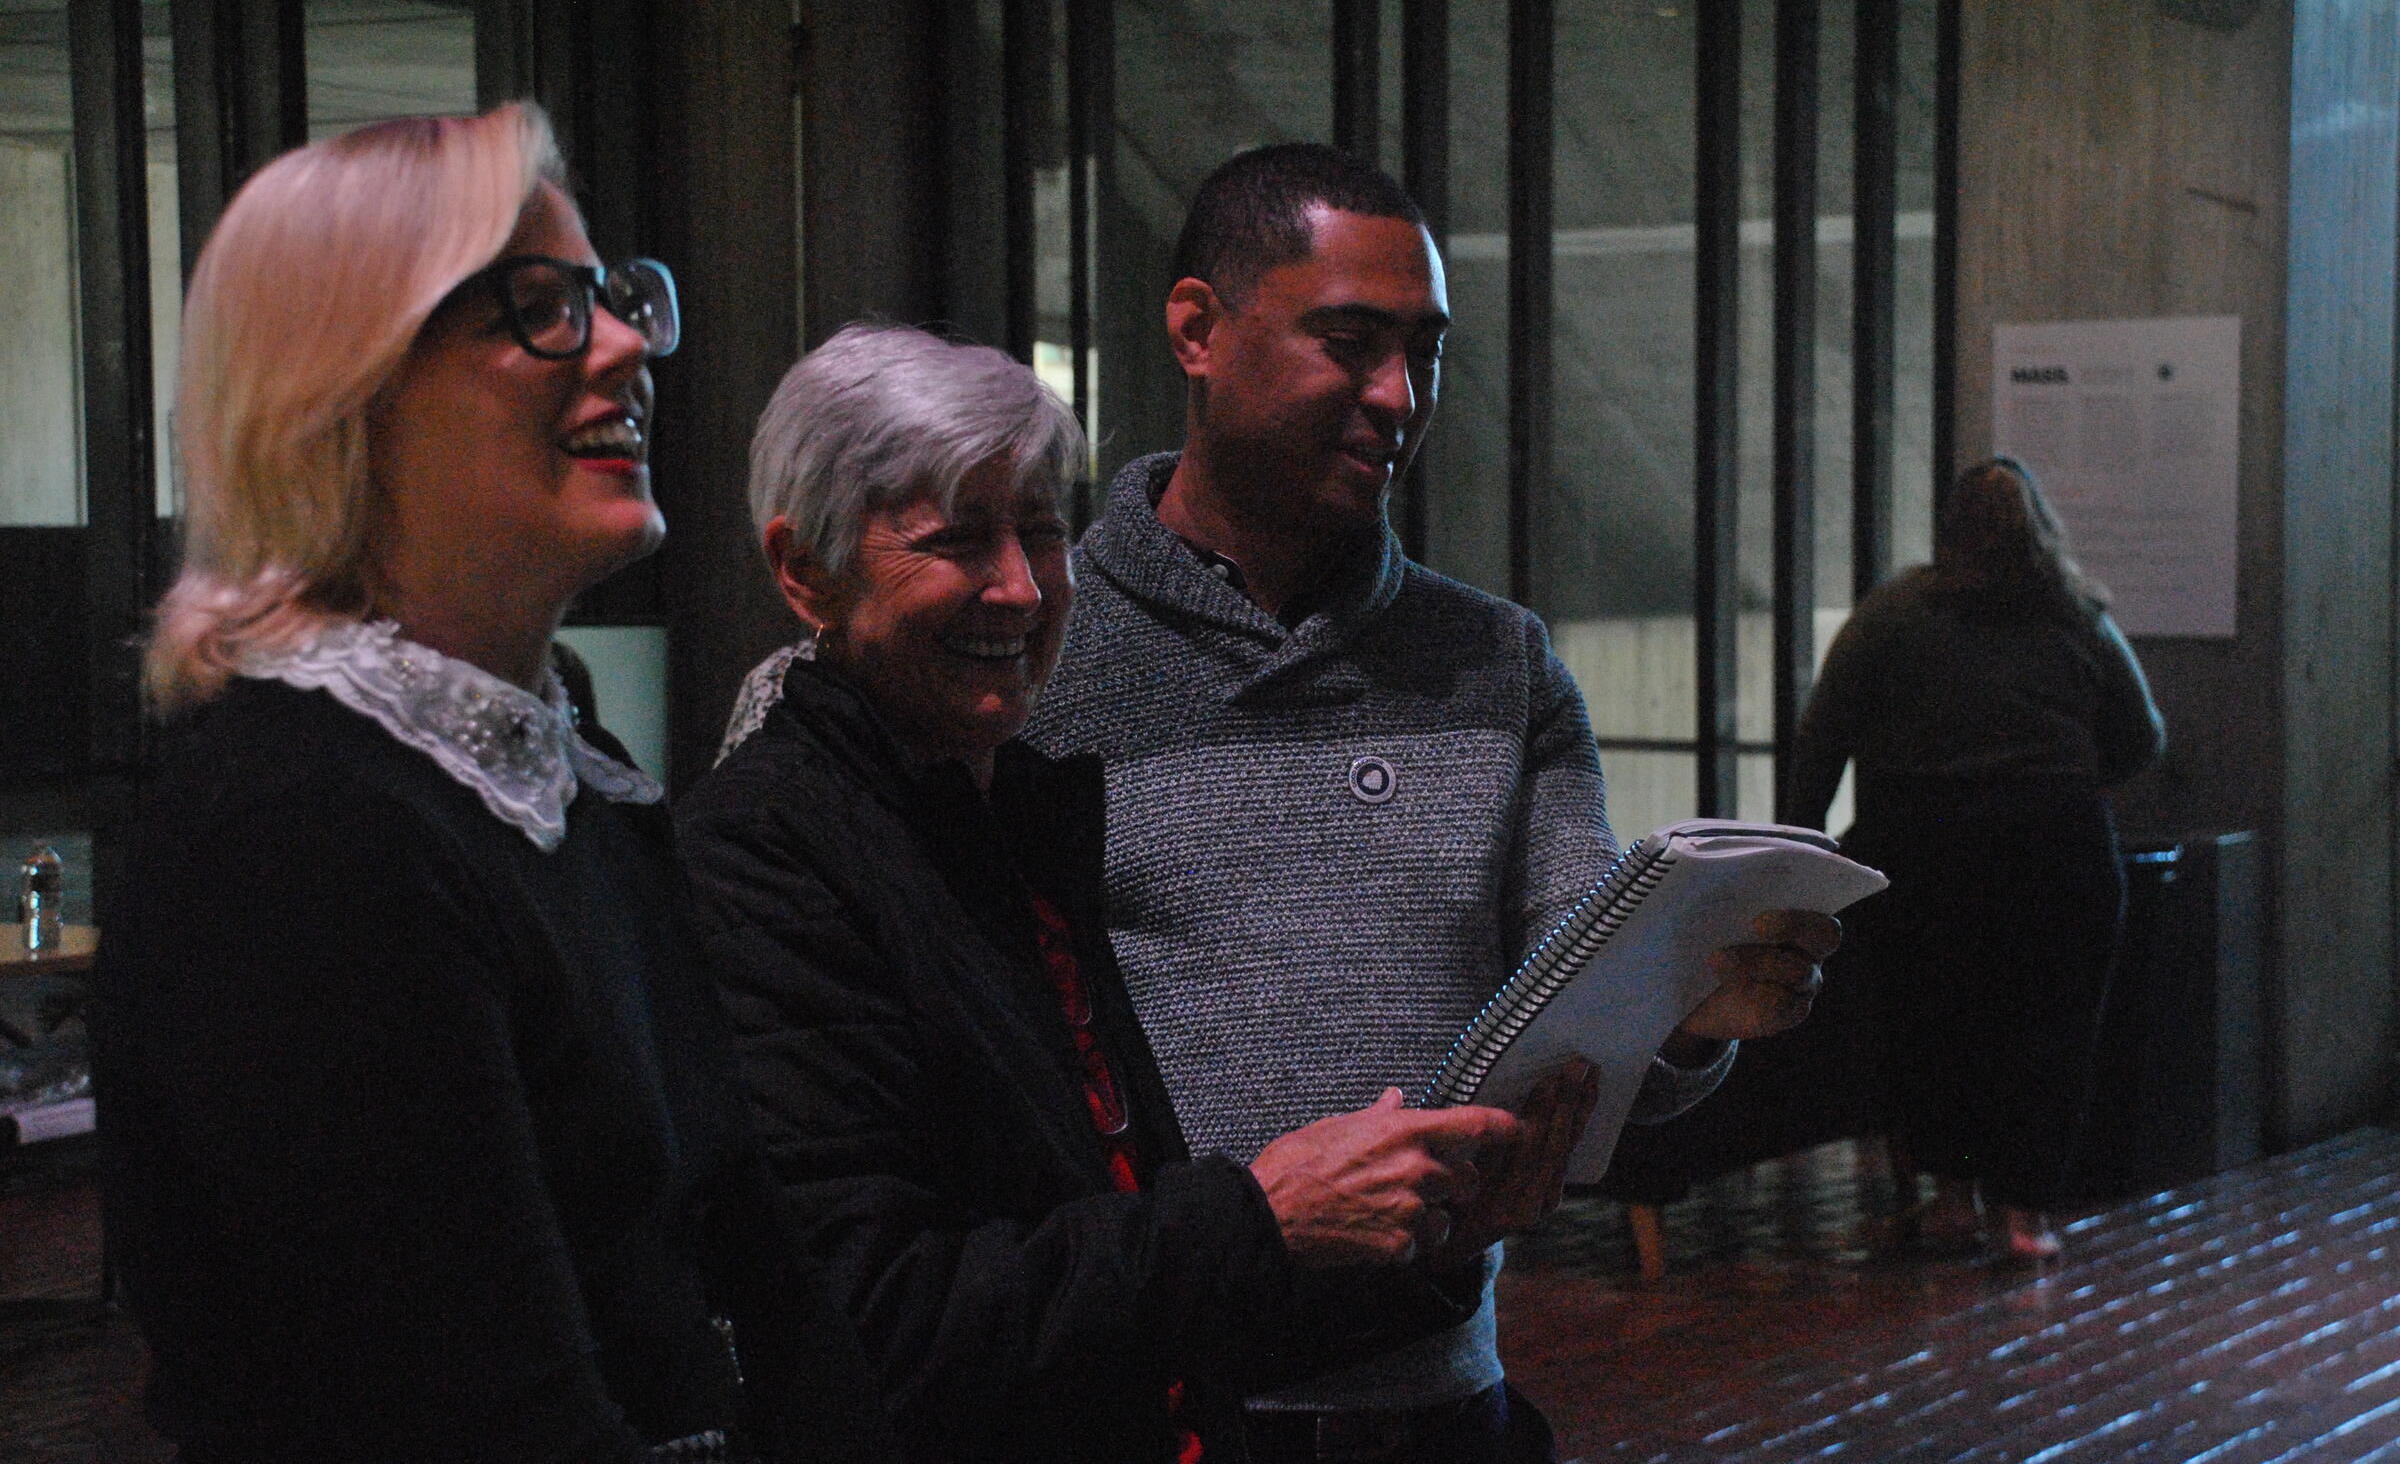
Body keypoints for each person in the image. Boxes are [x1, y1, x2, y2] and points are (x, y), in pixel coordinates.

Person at [1019, 142, 1843, 1462]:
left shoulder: (1496, 663)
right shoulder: (1040, 651)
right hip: (1136, 1402)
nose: (1398, 395)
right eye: (1348, 341)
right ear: (1194, 327)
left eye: (1426, 349)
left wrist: (1688, 1020)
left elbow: (1586, 999)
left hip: (1432, 1396)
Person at [92, 104, 889, 1463]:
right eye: (542, 306)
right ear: (343, 386)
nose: (630, 346)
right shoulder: (300, 830)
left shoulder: (557, 757)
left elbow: (745, 1260)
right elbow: (478, 1407)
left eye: (617, 298)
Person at [680, 322, 1569, 1464]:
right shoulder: (762, 853)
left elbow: (1136, 1302)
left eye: (1042, 533)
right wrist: (1260, 1216)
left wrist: (1435, 1234)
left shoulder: (1010, 818)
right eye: (954, 540)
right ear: (806, 572)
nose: (1015, 588)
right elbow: (877, 1324)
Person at [1791, 457, 2165, 1261]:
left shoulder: (1894, 612)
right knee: (2047, 1037)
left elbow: (1823, 734)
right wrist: (2072, 780)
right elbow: (2144, 736)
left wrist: (1803, 847)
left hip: (1920, 853)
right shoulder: (2076, 615)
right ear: (2040, 522)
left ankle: (1953, 1201)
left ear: (1948, 526)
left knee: (1934, 1032)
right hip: (2056, 853)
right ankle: (2023, 1218)